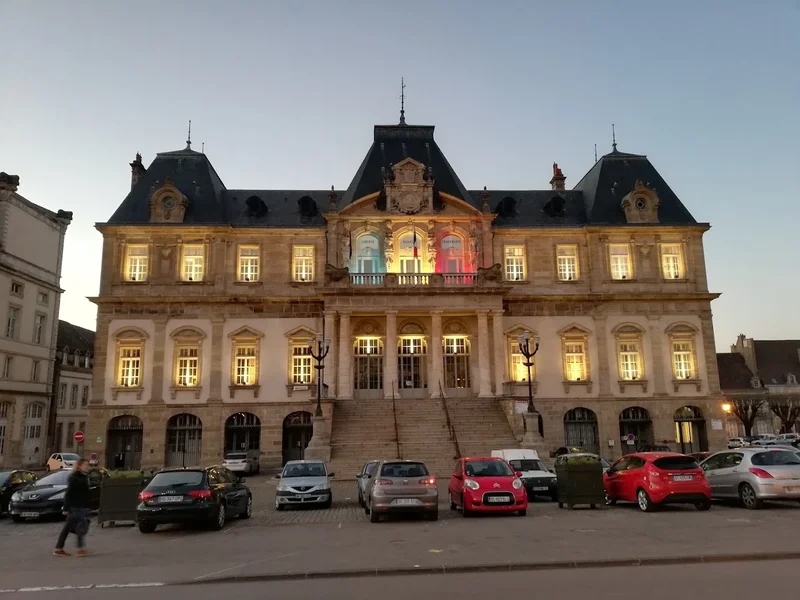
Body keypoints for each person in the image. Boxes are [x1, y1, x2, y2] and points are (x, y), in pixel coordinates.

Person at [53, 459, 92, 557]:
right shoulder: (74, 477)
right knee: (81, 526)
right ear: (79, 466)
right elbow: (69, 493)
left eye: (87, 465)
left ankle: (59, 548)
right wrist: (66, 508)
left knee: (68, 528)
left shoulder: (84, 476)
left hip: (82, 506)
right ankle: (80, 549)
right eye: (85, 465)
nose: (87, 467)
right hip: (75, 506)